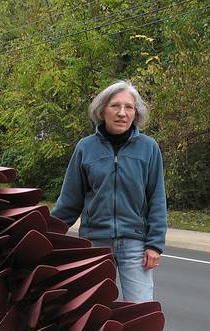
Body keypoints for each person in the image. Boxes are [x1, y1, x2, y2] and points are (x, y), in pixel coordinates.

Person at [51, 80, 167, 302]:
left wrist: (155, 245)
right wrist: (49, 234)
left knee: (139, 311)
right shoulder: (85, 148)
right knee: (92, 309)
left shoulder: (148, 147)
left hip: (135, 245)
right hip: (94, 243)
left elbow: (157, 199)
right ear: (102, 110)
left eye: (128, 107)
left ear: (136, 113)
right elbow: (70, 201)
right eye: (115, 106)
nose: (122, 113)